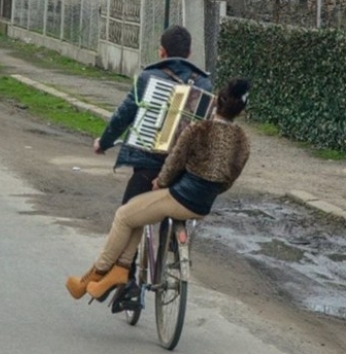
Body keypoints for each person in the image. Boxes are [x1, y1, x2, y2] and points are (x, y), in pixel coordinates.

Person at [66, 78, 252, 301]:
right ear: (240, 112)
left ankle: (98, 272)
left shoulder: (198, 129)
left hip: (180, 198)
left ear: (215, 103)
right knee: (138, 213)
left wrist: (160, 183)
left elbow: (174, 161)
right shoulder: (243, 140)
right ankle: (121, 270)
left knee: (124, 215)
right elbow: (230, 177)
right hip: (203, 205)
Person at [93, 25, 212, 205]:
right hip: (185, 168)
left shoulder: (148, 77)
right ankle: (175, 230)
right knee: (176, 209)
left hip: (150, 163)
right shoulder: (204, 84)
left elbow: (123, 116)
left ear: (161, 52)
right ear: (189, 53)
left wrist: (104, 142)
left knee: (126, 218)